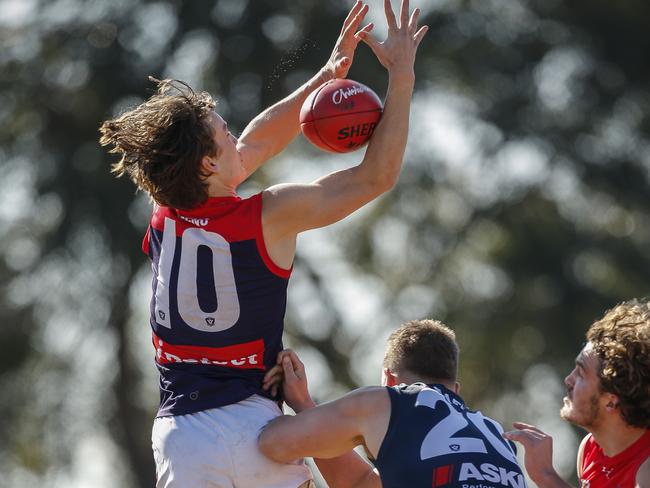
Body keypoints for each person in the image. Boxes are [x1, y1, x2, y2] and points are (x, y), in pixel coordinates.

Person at [98, 0, 427, 486]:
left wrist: (326, 75)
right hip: (259, 431)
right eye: (223, 133)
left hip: (182, 437)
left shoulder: (164, 211)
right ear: (208, 164)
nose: (236, 137)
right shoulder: (268, 215)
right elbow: (375, 177)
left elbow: (257, 141)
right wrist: (401, 77)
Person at [259, 319, 527, 488]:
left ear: (389, 378)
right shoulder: (496, 435)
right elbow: (358, 484)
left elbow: (272, 443)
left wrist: (297, 402)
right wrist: (305, 404)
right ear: (456, 390)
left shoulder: (386, 401)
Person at [503, 299, 650, 488]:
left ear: (611, 401)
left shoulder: (646, 470)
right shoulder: (590, 448)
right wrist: (545, 475)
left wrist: (546, 476)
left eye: (581, 373)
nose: (568, 380)